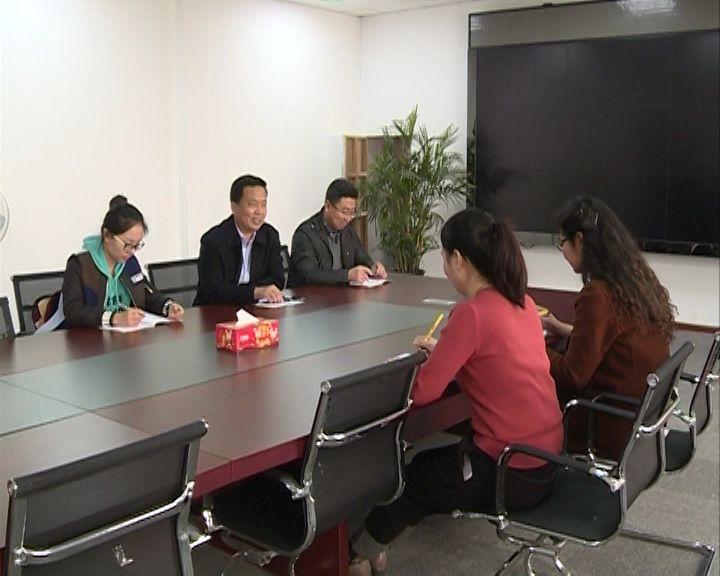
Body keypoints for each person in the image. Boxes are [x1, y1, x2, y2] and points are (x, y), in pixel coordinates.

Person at [350, 208, 562, 575]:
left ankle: (355, 556)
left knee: (415, 480)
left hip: (510, 472)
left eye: (444, 258)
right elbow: (499, 362)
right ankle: (374, 546)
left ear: (458, 259)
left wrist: (418, 366)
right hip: (547, 461)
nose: (445, 267)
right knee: (427, 463)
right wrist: (449, 352)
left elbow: (423, 393)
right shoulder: (523, 303)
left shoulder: (472, 314)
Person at [542, 196, 674, 459]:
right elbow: (614, 338)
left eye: (562, 243)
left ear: (579, 240)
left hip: (606, 427)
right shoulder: (634, 281)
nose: (563, 251)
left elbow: (572, 375)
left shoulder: (598, 295)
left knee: (525, 391)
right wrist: (560, 327)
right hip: (639, 419)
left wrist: (529, 344)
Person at [62, 196, 184, 328]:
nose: (132, 251)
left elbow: (145, 294)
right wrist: (114, 318)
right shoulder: (80, 265)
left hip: (126, 337)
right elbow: (73, 312)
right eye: (128, 244)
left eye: (137, 245)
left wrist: (167, 306)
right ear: (107, 235)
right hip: (89, 338)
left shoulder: (130, 262)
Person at [194, 174, 285, 305]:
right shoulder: (214, 241)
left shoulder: (270, 236)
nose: (259, 211)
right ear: (234, 207)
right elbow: (212, 290)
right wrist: (254, 292)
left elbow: (278, 279)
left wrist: (256, 292)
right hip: (217, 311)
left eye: (263, 204)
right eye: (253, 205)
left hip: (255, 308)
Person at [290, 178, 386, 286]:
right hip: (312, 295)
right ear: (327, 206)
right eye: (345, 212)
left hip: (343, 294)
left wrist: (373, 267)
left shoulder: (348, 230)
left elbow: (362, 257)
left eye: (352, 213)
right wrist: (347, 275)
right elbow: (309, 274)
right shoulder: (306, 234)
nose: (348, 218)